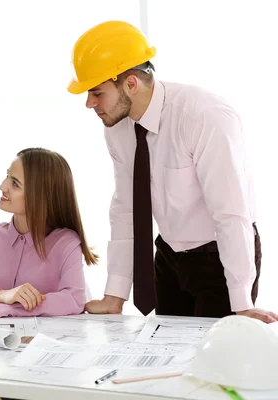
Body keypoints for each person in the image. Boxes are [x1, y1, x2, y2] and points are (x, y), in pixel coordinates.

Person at [67, 20, 277, 322]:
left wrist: (241, 302)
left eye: (97, 93)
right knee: (166, 353)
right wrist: (115, 295)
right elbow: (127, 209)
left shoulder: (203, 117)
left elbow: (231, 212)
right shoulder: (117, 128)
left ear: (130, 84)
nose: (89, 103)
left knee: (210, 359)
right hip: (168, 252)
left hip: (219, 254)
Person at [0, 148, 97, 320]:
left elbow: (73, 300)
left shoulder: (66, 243)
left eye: (15, 183)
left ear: (40, 196)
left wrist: (1, 309)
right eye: (7, 176)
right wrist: (1, 295)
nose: (2, 186)